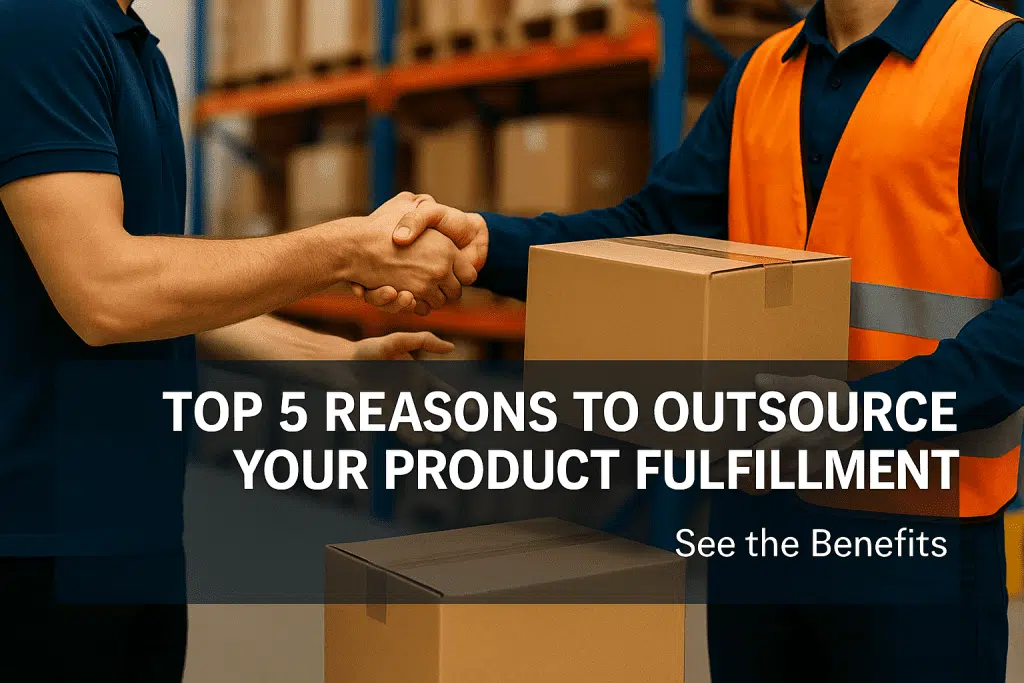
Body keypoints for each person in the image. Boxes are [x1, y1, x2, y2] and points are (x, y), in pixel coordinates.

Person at [357, 0, 1024, 680]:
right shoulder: (764, 71)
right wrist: (492, 245)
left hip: (918, 540)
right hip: (757, 524)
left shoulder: (997, 62)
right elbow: (655, 228)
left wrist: (866, 415)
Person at [0, 0, 478, 680]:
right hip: (35, 543)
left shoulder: (135, 48)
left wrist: (335, 362)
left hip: (138, 526)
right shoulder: (40, 21)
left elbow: (163, 290)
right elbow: (105, 290)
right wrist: (345, 250)